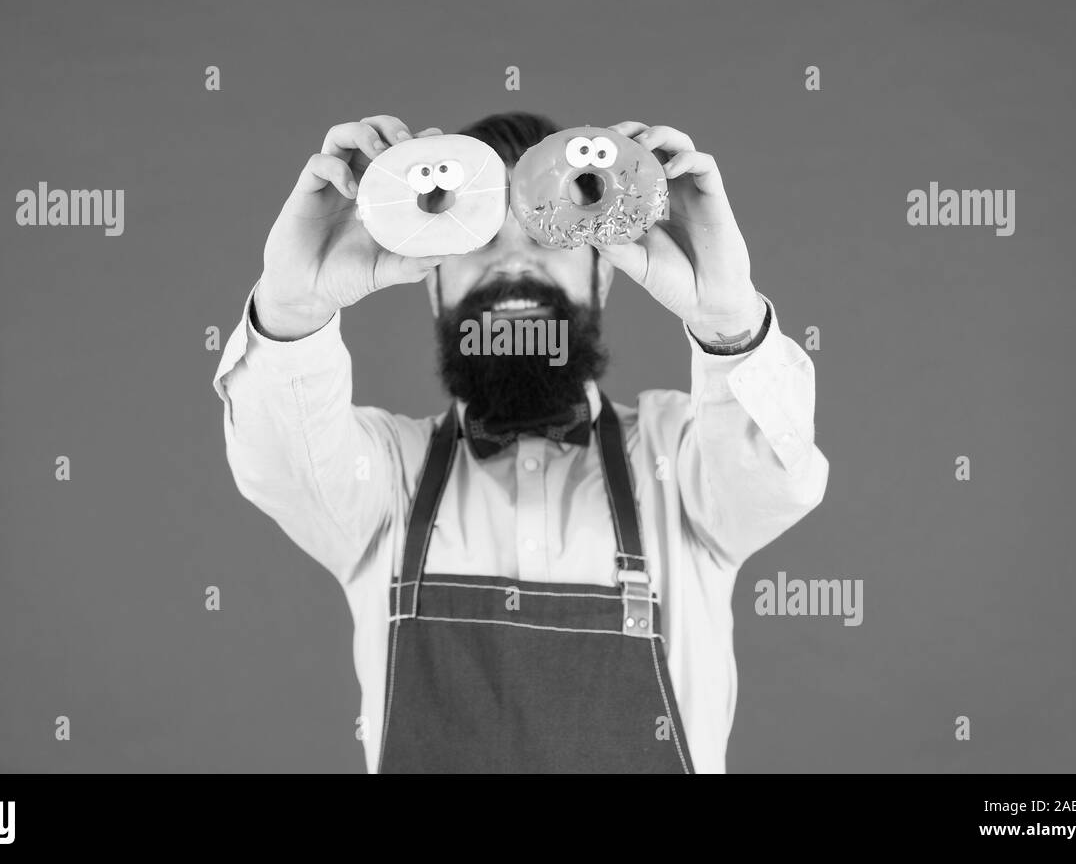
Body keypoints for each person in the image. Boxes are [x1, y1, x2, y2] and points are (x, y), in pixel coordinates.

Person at [212, 111, 829, 773]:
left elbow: (773, 476)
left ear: (607, 269)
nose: (510, 264)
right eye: (478, 237)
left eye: (544, 231)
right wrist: (294, 311)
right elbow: (277, 455)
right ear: (430, 281)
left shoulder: (681, 464)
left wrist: (728, 318)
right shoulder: (385, 481)